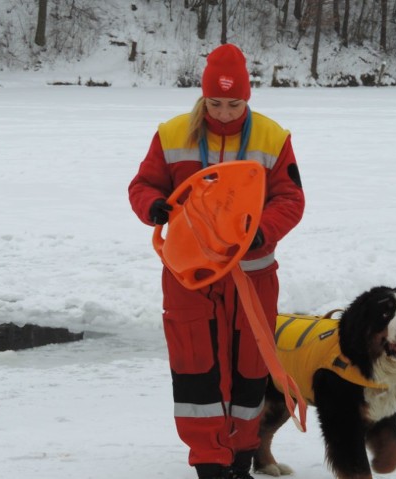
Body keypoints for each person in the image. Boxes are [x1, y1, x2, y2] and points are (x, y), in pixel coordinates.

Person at [128, 43, 305, 479]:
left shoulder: (272, 137)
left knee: (249, 369)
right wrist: (154, 207)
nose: (224, 113)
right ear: (202, 97)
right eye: (215, 103)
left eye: (234, 103)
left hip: (252, 274)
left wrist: (261, 231)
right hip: (191, 275)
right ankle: (209, 462)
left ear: (248, 98)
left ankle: (241, 457)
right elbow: (142, 185)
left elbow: (291, 197)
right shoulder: (173, 135)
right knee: (197, 370)